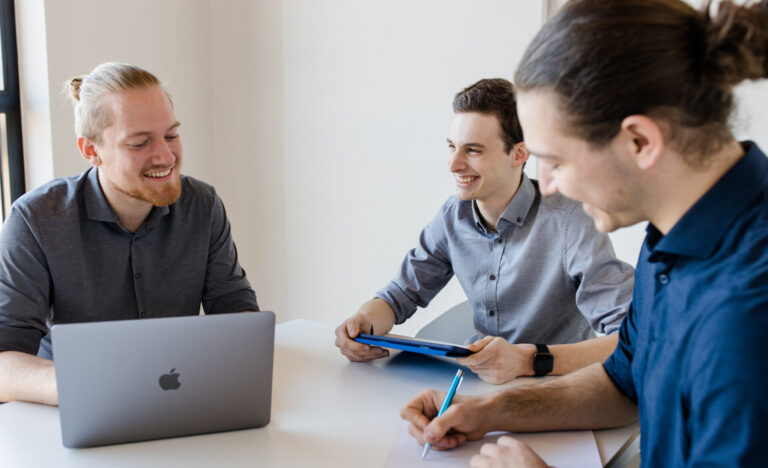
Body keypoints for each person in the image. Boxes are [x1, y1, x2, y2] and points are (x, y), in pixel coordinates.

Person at [400, 0, 768, 466]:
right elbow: (622, 382)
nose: (547, 184)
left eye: (555, 161)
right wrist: (489, 410)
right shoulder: (672, 235)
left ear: (640, 142)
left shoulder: (748, 311)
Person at [335, 78, 634, 384]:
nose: (453, 165)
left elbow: (631, 340)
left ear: (519, 154)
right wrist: (363, 323)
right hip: (478, 385)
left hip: (555, 384)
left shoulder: (571, 220)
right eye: (452, 147)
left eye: (473, 150)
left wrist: (526, 361)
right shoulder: (453, 216)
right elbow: (399, 295)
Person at [0, 62, 259, 406]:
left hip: (179, 395)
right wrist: (91, 388)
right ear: (91, 150)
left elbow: (235, 312)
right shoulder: (35, 220)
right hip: (75, 407)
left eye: (171, 135)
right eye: (139, 143)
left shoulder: (202, 204)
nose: (166, 156)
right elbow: (5, 360)